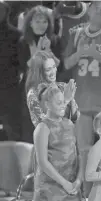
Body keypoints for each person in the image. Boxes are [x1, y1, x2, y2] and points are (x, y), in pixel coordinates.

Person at [33, 85, 89, 201]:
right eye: (58, 102)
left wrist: (79, 179)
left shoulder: (70, 124)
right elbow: (42, 162)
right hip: (52, 186)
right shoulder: (43, 128)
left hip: (72, 185)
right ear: (47, 103)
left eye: (63, 102)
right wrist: (63, 183)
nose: (62, 105)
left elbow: (78, 153)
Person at [64, 0, 101, 153]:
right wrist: (80, 53)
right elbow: (67, 64)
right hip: (82, 102)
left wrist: (97, 56)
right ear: (88, 10)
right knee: (83, 149)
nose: (99, 11)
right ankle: (84, 177)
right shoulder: (76, 34)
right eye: (96, 7)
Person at [18, 4, 62, 143]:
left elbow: (59, 66)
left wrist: (48, 51)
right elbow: (25, 65)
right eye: (37, 21)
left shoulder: (54, 40)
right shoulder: (24, 41)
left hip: (50, 90)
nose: (41, 25)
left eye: (45, 21)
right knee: (29, 127)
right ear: (30, 23)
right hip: (29, 89)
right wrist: (37, 51)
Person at [26, 50, 80, 128]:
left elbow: (75, 119)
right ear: (39, 72)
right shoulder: (33, 93)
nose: (53, 72)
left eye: (54, 67)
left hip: (69, 137)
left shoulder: (63, 86)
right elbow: (43, 124)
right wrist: (65, 100)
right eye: (48, 70)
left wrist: (71, 101)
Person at [0, 1, 22, 141]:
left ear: (7, 12)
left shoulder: (17, 35)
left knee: (11, 128)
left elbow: (20, 63)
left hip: (9, 88)